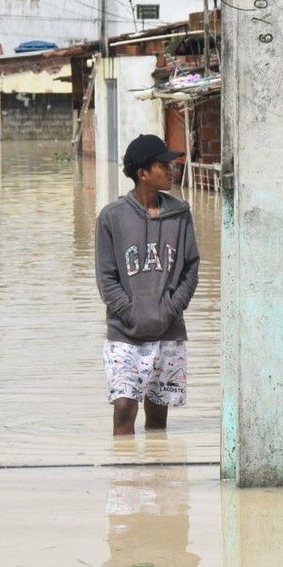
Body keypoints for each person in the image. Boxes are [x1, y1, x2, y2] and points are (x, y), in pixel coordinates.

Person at [95, 134, 200, 437]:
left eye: (171, 165)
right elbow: (106, 278)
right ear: (142, 173)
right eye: (162, 165)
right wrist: (131, 312)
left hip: (169, 328)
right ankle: (125, 476)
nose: (171, 170)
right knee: (124, 408)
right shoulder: (111, 217)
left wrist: (171, 307)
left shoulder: (180, 214)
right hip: (125, 332)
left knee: (158, 415)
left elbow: (191, 268)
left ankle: (157, 476)